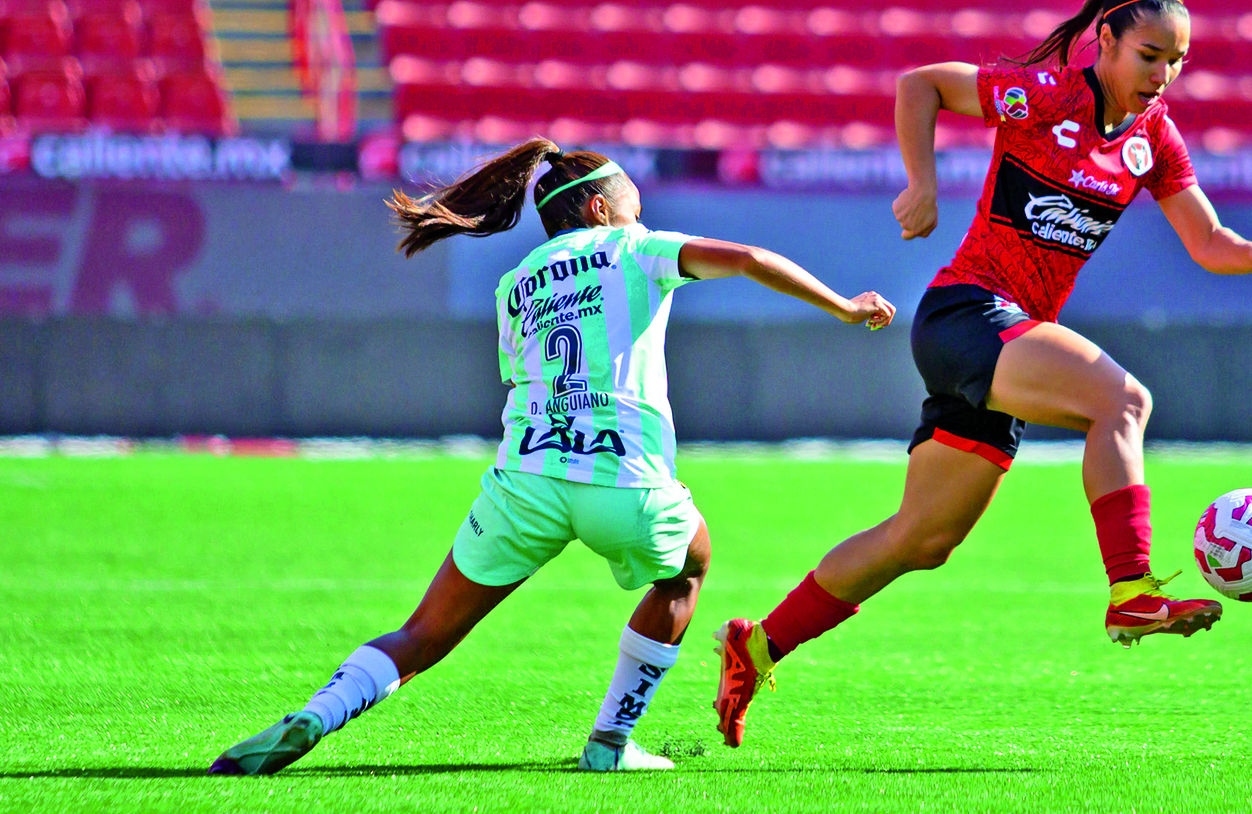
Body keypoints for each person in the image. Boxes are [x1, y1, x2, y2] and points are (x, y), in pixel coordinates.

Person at [712, 0, 1252, 747]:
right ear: (1105, 41)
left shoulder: (1155, 138)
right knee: (1123, 400)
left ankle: (754, 647)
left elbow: (1205, 240)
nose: (1163, 74)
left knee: (922, 540)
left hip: (1003, 339)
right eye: (1150, 55)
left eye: (1177, 61)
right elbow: (921, 85)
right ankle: (1130, 590)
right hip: (968, 314)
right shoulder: (1045, 94)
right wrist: (922, 183)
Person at [209, 140, 895, 775]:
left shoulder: (515, 284)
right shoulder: (635, 247)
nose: (639, 217)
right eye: (632, 206)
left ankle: (318, 714)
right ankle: (609, 744)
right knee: (688, 568)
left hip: (525, 479)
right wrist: (842, 305)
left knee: (423, 633)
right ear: (599, 209)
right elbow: (747, 259)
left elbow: (519, 379)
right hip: (623, 478)